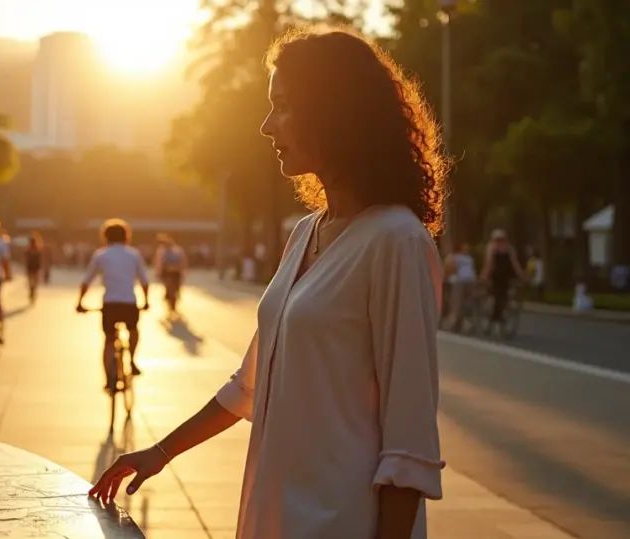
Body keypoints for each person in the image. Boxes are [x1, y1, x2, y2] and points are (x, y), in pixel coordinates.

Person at [91, 26, 448, 539]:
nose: (265, 126)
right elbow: (249, 388)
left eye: (282, 106)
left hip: (343, 523)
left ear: (333, 110)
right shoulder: (306, 233)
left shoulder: (397, 241)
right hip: (275, 515)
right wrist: (161, 451)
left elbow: (410, 444)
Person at [76, 219, 151, 394]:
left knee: (109, 340)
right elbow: (145, 281)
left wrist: (80, 302)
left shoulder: (101, 255)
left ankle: (108, 379)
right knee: (133, 330)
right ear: (127, 236)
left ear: (105, 236)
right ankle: (131, 359)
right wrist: (146, 300)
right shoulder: (133, 255)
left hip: (109, 303)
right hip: (129, 302)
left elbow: (87, 281)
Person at [480, 229, 523, 325]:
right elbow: (515, 263)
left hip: (497, 275)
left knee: (496, 294)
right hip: (505, 275)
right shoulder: (509, 248)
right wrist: (520, 275)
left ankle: (496, 314)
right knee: (502, 295)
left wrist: (484, 275)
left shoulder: (491, 247)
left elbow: (489, 263)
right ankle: (498, 313)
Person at [443, 242, 478, 329]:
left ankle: (460, 322)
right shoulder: (454, 256)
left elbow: (472, 269)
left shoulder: (469, 258)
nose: (466, 249)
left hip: (470, 281)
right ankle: (453, 322)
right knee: (457, 302)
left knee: (465, 303)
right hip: (459, 281)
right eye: (464, 247)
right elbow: (448, 268)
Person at [153, 233, 188, 312]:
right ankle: (168, 296)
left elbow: (183, 261)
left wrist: (183, 271)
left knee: (176, 287)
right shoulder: (162, 251)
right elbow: (159, 262)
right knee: (167, 286)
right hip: (167, 272)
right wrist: (158, 272)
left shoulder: (178, 250)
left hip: (176, 273)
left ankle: (175, 297)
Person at [25, 231, 44, 302]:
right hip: (35, 267)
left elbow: (26, 259)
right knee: (34, 281)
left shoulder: (29, 250)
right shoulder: (37, 249)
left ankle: (32, 290)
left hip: (30, 266)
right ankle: (33, 290)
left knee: (31, 281)